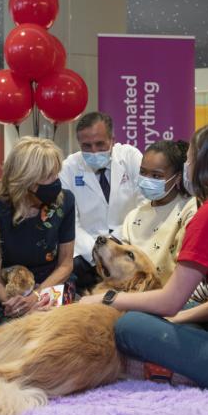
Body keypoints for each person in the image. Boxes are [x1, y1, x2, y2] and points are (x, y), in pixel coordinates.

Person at [81, 123, 208, 394]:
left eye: (189, 159)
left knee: (129, 325)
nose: (187, 166)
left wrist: (107, 299)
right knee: (179, 310)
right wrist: (179, 318)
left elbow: (169, 301)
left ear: (203, 163)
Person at [0, 136, 76, 322]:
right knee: (0, 332)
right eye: (48, 176)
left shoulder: (66, 202)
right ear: (26, 180)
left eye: (56, 173)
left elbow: (66, 264)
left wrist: (35, 296)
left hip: (51, 283)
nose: (56, 181)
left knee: (52, 328)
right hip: (8, 288)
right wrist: (12, 302)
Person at [59, 112, 143, 291]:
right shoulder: (68, 168)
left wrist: (114, 241)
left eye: (100, 144)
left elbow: (143, 207)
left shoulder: (130, 157)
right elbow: (70, 221)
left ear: (112, 139)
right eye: (86, 146)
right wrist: (97, 252)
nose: (94, 151)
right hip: (87, 250)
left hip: (127, 240)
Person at [121, 139, 197, 284]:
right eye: (143, 172)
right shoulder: (132, 217)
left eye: (156, 176)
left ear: (177, 177)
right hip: (134, 295)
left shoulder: (190, 209)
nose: (147, 180)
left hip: (175, 296)